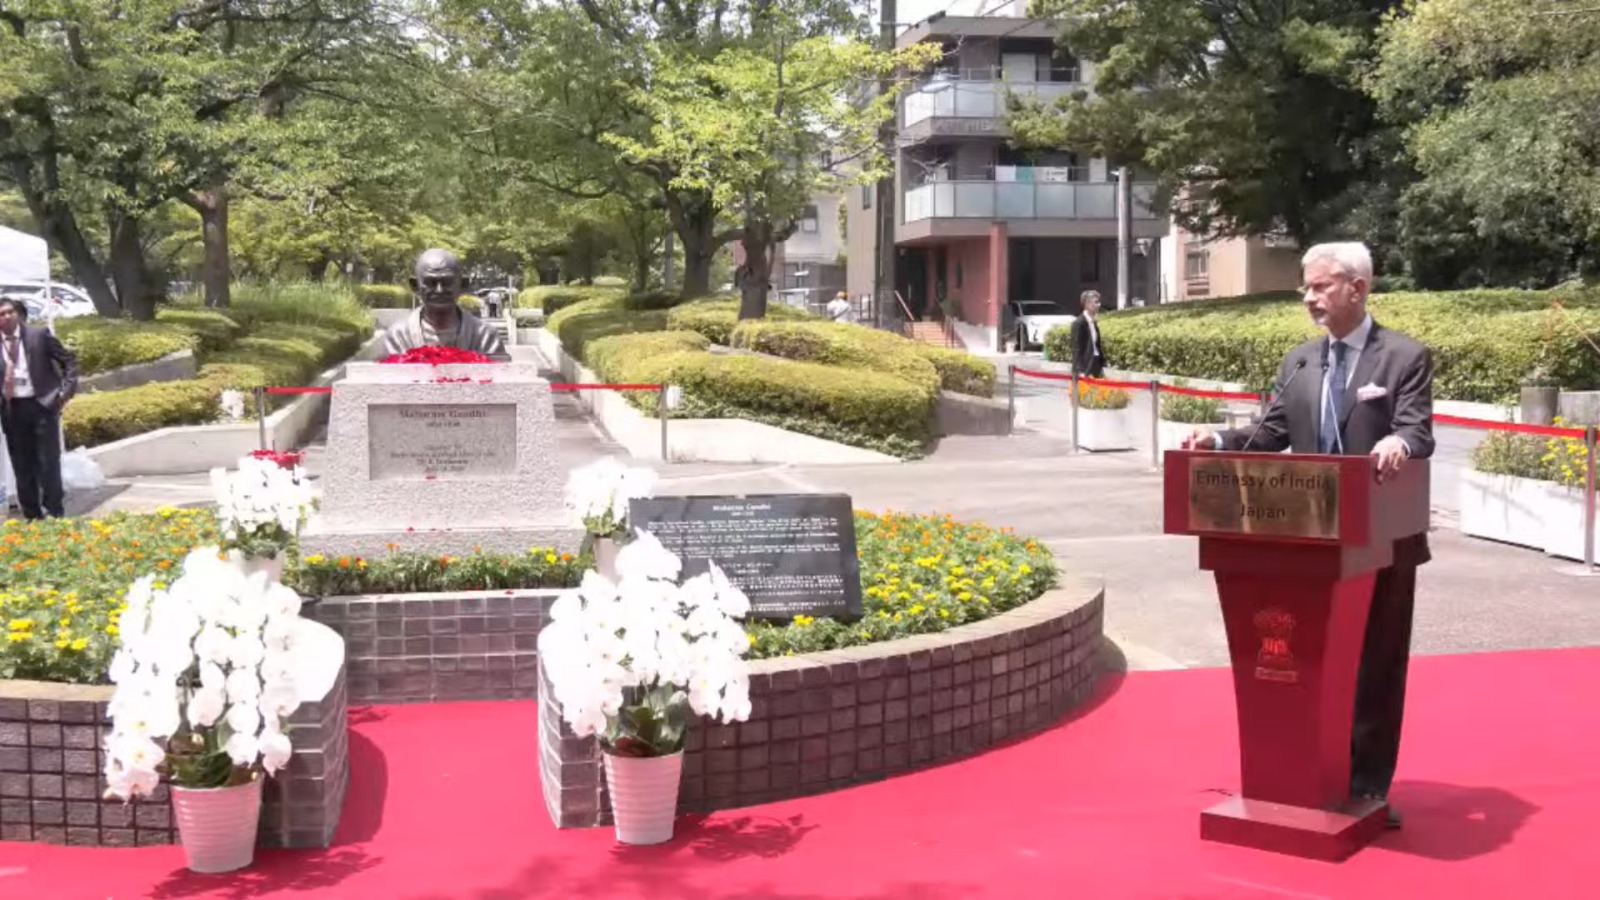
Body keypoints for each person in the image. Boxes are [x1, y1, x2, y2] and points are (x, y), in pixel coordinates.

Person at [1180, 241, 1433, 830]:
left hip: (1382, 539)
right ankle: (1308, 776)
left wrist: (1399, 442)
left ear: (1357, 288)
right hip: (1308, 541)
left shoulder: (1403, 358)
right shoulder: (1299, 361)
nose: (1309, 298)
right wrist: (1215, 443)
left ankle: (1367, 786)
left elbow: (1416, 430)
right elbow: (1268, 436)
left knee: (1374, 664)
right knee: (1311, 663)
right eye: (1306, 288)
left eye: (1320, 287)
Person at [1, 297, 79, 519]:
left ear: (17, 314)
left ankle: (55, 514)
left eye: (9, 312)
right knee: (23, 467)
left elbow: (69, 361)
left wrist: (65, 393)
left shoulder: (38, 335)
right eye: (1, 314)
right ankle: (32, 517)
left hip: (42, 406)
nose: (6, 317)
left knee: (48, 463)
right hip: (12, 410)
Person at [383, 249, 507, 358]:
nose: (439, 290)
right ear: (415, 286)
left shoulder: (484, 336)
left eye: (447, 282)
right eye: (430, 282)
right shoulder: (399, 336)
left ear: (463, 284)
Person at [1070, 290, 1105, 377]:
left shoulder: (1093, 322)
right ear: (1087, 304)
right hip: (1085, 366)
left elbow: (1096, 344)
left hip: (1095, 364)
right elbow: (1077, 348)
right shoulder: (1079, 323)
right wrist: (1079, 370)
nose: (1099, 305)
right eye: (1096, 302)